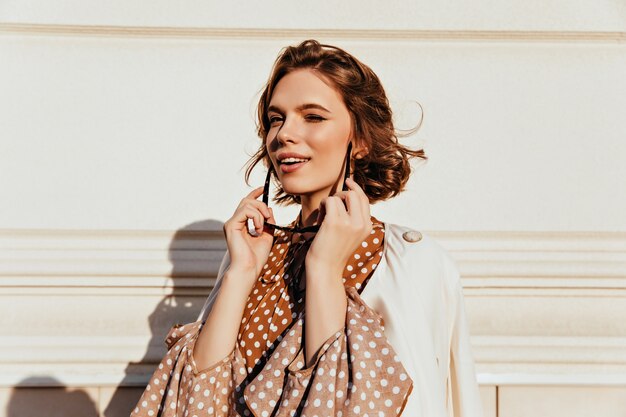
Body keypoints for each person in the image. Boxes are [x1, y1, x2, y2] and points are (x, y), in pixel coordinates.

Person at [131, 39, 483, 417]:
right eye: (276, 118)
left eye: (312, 117)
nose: (283, 134)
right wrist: (240, 273)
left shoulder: (414, 263)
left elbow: (344, 405)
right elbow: (191, 406)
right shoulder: (254, 258)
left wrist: (324, 269)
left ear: (360, 140)